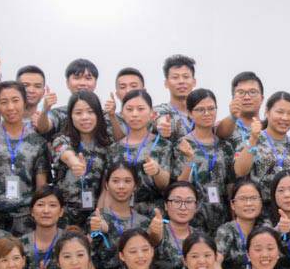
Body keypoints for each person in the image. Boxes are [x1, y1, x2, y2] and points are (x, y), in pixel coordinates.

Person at [0, 80, 50, 235]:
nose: (10, 107)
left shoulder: (37, 141)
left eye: (15, 100)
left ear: (24, 103)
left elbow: (41, 186)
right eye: (4, 102)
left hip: (26, 219)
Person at [50, 90, 114, 232]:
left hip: (95, 213)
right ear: (70, 116)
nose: (85, 117)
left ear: (98, 114)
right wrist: (75, 164)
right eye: (78, 113)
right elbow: (66, 154)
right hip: (64, 214)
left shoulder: (106, 145)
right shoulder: (61, 139)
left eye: (90, 112)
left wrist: (98, 216)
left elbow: (106, 186)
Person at [174, 88, 235, 233]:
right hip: (193, 217)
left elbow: (230, 185)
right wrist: (189, 160)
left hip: (222, 217)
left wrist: (234, 218)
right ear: (190, 113)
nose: (207, 113)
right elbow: (179, 184)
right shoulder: (183, 145)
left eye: (211, 108)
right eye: (200, 109)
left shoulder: (225, 146)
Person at [231, 91, 290, 203]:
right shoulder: (251, 138)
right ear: (267, 112)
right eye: (280, 112)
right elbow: (240, 171)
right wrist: (253, 139)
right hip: (259, 210)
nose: (285, 118)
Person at [112, 89, 174, 219]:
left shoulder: (163, 144)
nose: (135, 114)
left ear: (151, 113)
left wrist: (157, 171)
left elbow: (165, 185)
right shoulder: (114, 149)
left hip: (155, 214)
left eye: (140, 109)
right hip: (123, 214)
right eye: (129, 109)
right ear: (122, 113)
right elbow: (107, 189)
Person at [88, 160, 149, 269]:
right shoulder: (97, 219)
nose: (121, 186)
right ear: (107, 185)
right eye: (115, 181)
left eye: (127, 181)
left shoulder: (144, 222)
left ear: (135, 186)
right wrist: (99, 231)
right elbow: (88, 257)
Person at [150, 181, 204, 269]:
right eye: (177, 201)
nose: (183, 207)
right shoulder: (159, 230)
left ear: (196, 206)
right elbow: (153, 239)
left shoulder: (200, 236)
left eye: (189, 202)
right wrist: (154, 233)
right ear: (166, 205)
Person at [214, 178, 264, 269]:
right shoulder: (226, 231)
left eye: (254, 198)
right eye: (243, 199)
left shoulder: (264, 228)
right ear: (232, 204)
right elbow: (215, 261)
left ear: (261, 202)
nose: (249, 203)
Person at [18, 187, 65, 269]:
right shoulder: (19, 244)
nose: (46, 211)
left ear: (61, 212)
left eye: (52, 205)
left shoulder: (70, 241)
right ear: (32, 211)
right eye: (40, 205)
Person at [155, 54, 198, 140]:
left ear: (194, 82)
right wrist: (162, 125)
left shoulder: (202, 112)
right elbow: (159, 118)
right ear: (166, 83)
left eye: (186, 77)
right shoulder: (160, 110)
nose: (181, 81)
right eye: (175, 77)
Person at [215, 71, 265, 142]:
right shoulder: (225, 127)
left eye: (253, 92)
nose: (247, 97)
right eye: (241, 93)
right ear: (233, 98)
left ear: (262, 99)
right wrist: (233, 116)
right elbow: (221, 133)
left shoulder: (269, 128)